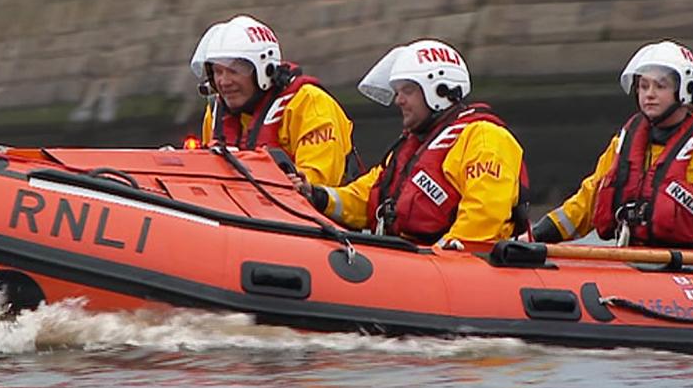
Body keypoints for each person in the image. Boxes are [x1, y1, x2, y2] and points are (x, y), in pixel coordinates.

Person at [290, 39, 530, 249]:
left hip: (460, 271)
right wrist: (318, 195)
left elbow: (484, 215)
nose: (399, 100)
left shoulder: (485, 139)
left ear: (439, 90)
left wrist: (437, 258)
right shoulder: (411, 146)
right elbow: (368, 195)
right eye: (397, 91)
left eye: (408, 90)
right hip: (410, 261)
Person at [532, 40, 693, 246]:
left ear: (685, 90)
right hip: (637, 263)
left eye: (660, 86)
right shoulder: (624, 144)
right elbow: (586, 202)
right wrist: (537, 235)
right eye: (643, 86)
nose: (649, 94)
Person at [190, 14, 360, 186]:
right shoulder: (216, 114)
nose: (224, 82)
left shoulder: (311, 104)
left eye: (234, 71)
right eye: (218, 72)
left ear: (264, 70)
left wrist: (295, 183)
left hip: (306, 210)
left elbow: (318, 183)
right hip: (242, 204)